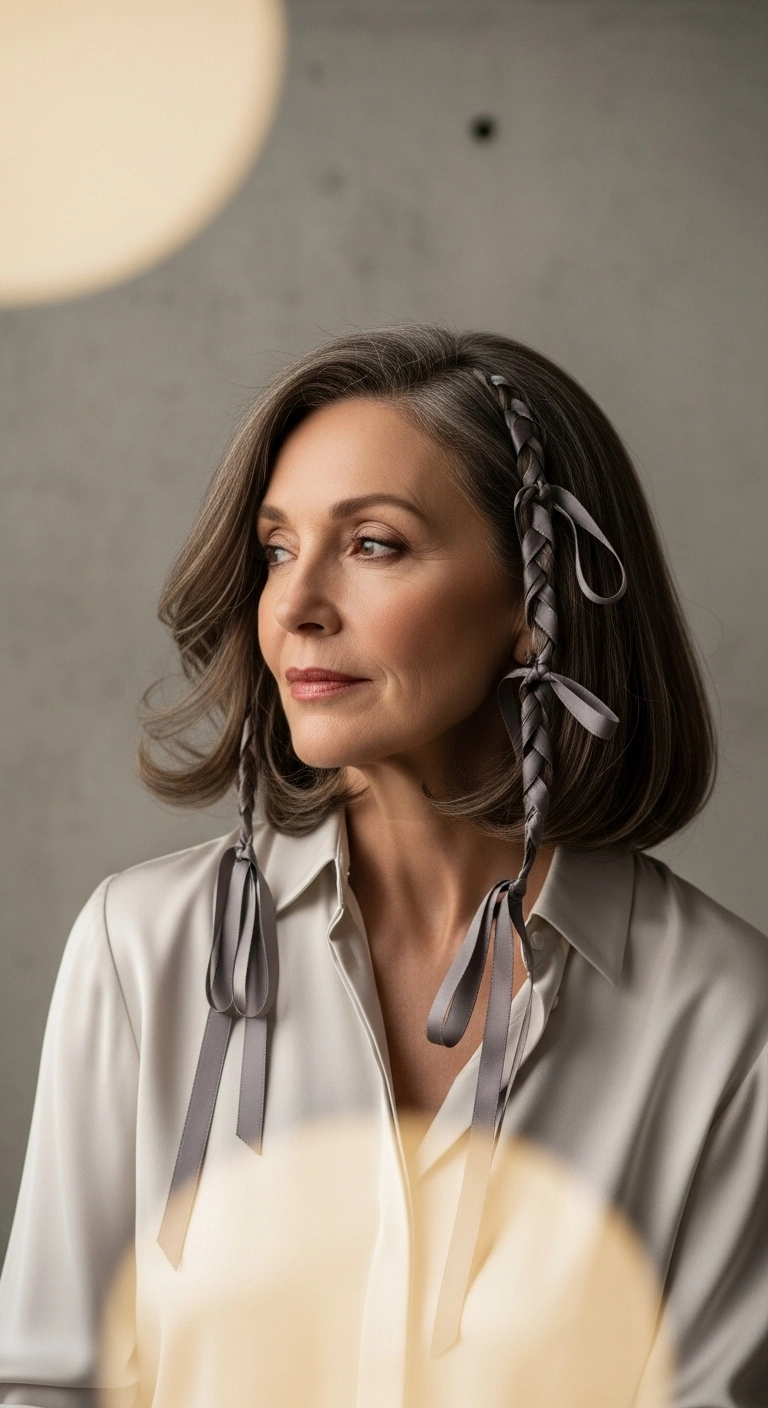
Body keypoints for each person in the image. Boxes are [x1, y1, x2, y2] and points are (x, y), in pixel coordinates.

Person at [0, 327, 766, 1408]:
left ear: (532, 602)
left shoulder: (731, 1018)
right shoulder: (143, 949)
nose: (296, 603)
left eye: (373, 544)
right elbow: (48, 1382)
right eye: (276, 548)